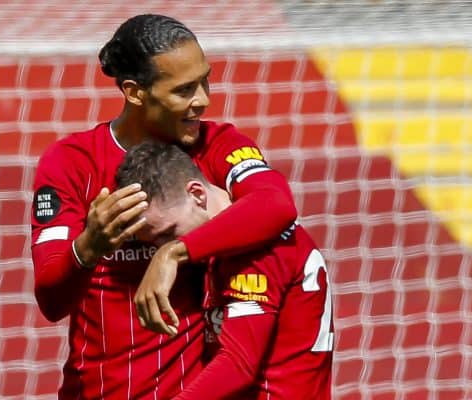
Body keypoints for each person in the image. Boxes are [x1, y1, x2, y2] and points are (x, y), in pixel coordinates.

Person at [30, 14, 298, 399]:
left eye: (205, 80)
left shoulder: (218, 144)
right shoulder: (71, 162)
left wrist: (174, 252)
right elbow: (51, 302)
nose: (202, 100)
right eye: (184, 90)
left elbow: (276, 204)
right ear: (135, 92)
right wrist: (89, 248)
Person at [115, 141, 334, 400]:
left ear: (197, 194)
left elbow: (238, 364)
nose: (162, 249)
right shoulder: (230, 243)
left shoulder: (253, 252)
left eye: (168, 234)